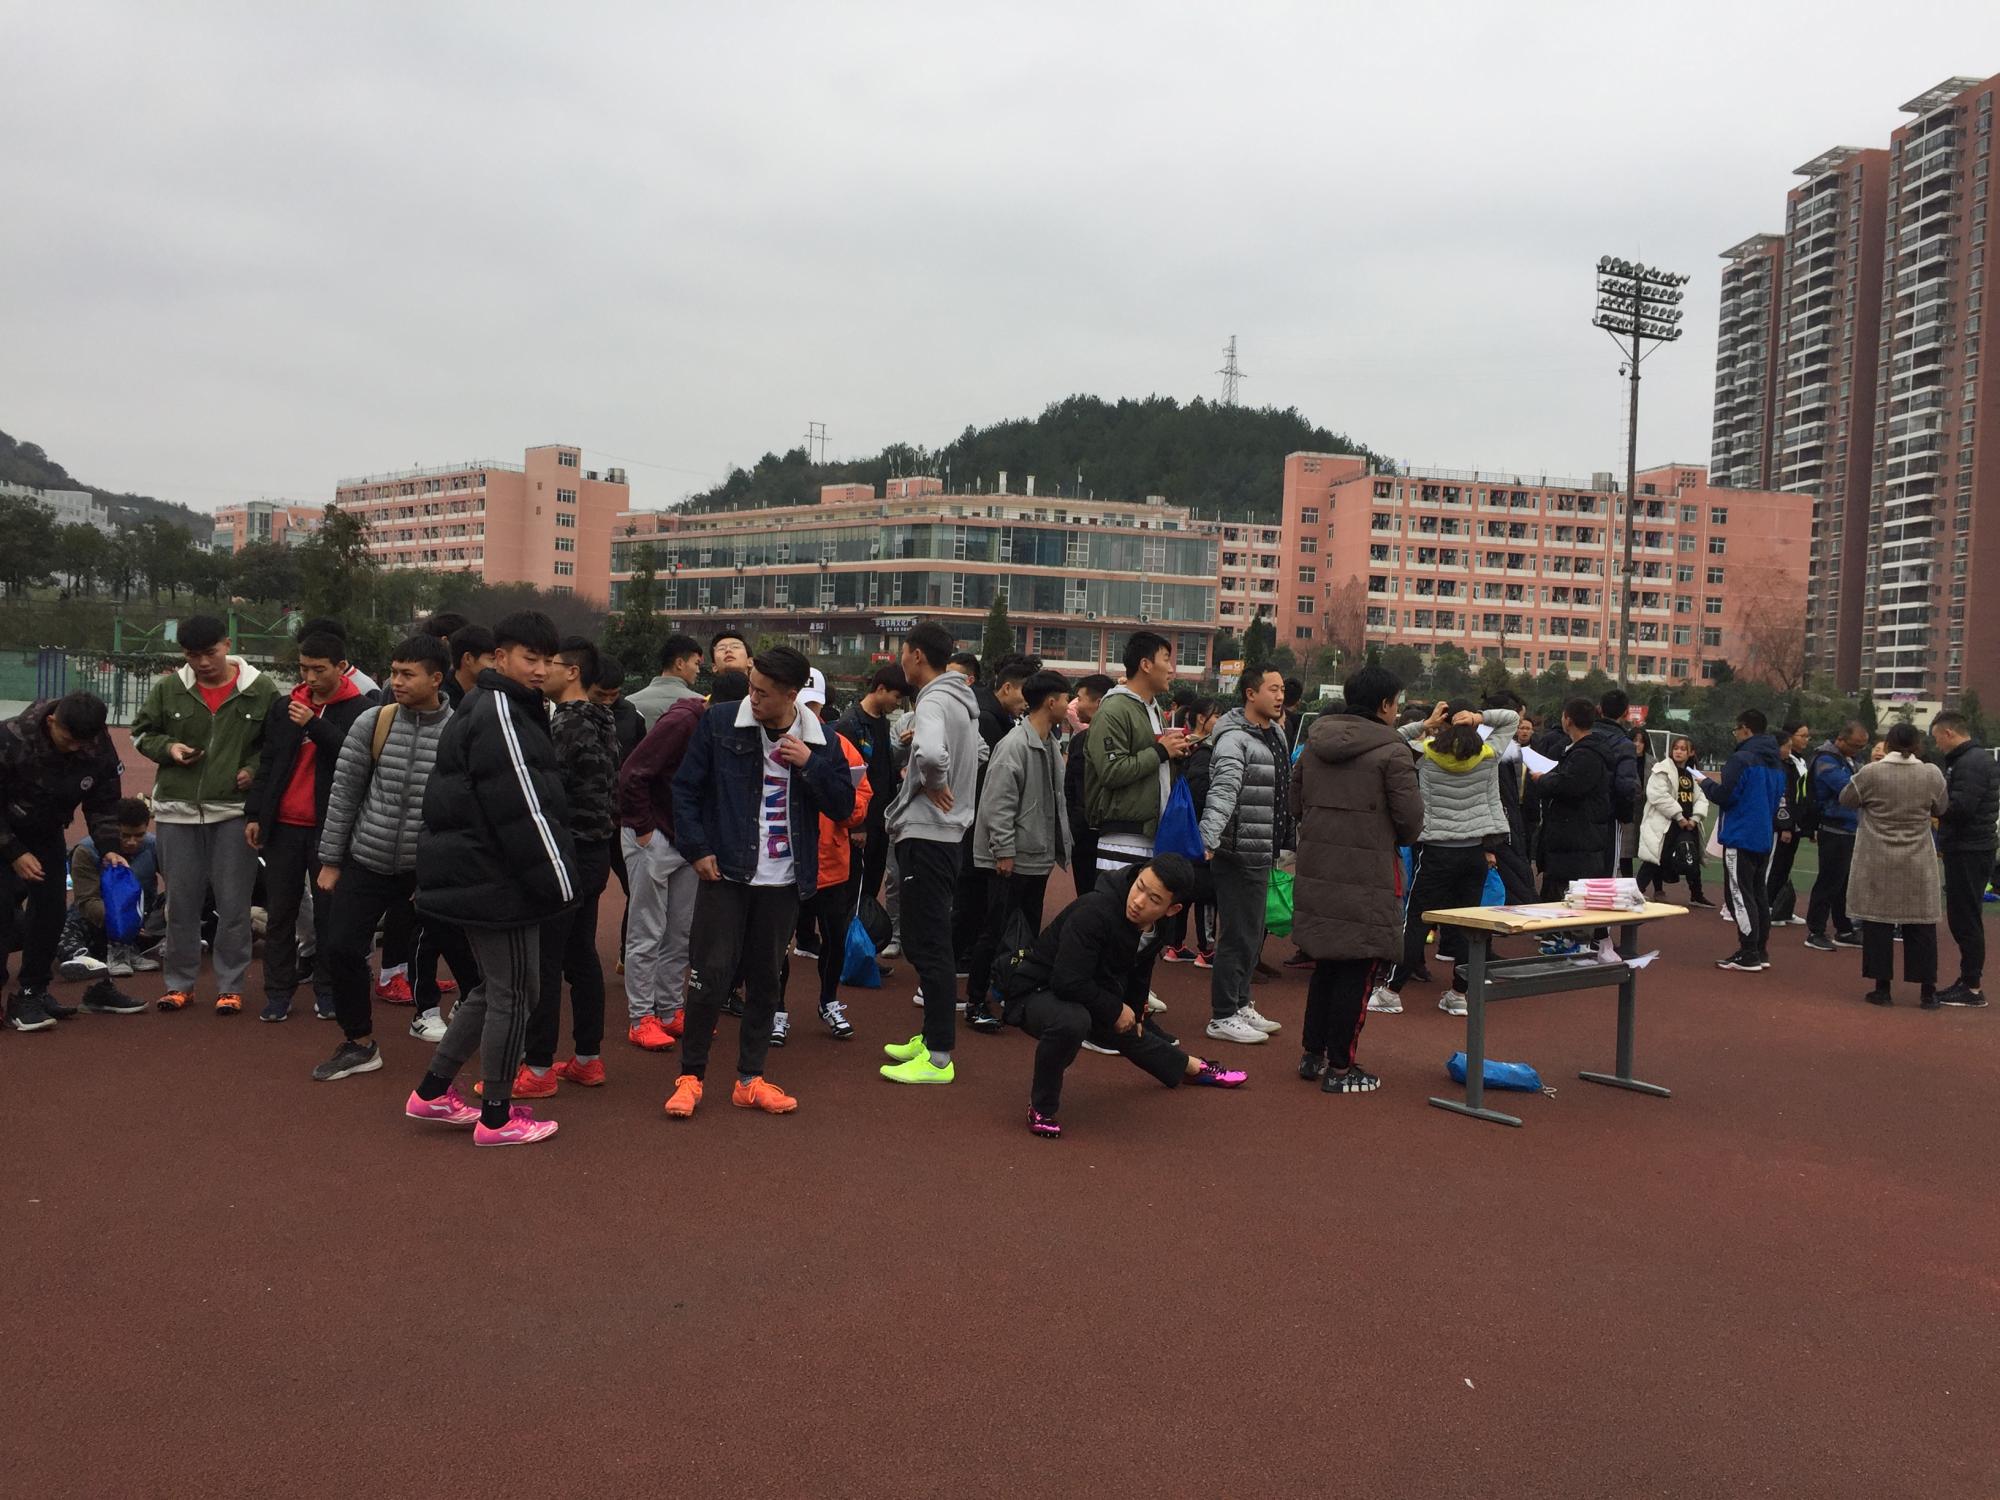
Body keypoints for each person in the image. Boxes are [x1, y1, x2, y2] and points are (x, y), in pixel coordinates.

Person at [403, 612, 577, 1145]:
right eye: (530, 658)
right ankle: (496, 1116)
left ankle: (433, 1091)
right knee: (514, 993)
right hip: (496, 876)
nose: (540, 669)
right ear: (500, 658)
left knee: (500, 988)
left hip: (485, 872)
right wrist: (560, 882)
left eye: (547, 661)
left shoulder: (503, 704)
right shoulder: (500, 709)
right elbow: (523, 807)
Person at [663, 646, 854, 1119]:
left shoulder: (822, 739)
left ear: (792, 694)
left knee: (767, 981)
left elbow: (843, 806)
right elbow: (684, 788)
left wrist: (810, 763)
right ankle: (691, 1077)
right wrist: (696, 848)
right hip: (726, 871)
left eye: (764, 693)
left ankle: (750, 1079)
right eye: (751, 686)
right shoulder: (720, 721)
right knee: (709, 977)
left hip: (784, 880)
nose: (753, 698)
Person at [989, 855, 1245, 1138]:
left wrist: (1135, 1008)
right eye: (1140, 887)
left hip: (1084, 987)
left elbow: (1141, 968)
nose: (1139, 901)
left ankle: (1191, 1068)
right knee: (1073, 1021)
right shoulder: (1095, 911)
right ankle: (1041, 1107)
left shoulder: (1160, 925)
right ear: (1136, 876)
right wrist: (1115, 1009)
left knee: (1131, 1027)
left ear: (1172, 910)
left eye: (1154, 899)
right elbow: (1066, 980)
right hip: (1034, 990)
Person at [314, 636, 478, 1074]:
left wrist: (447, 871)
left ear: (436, 678)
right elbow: (344, 793)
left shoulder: (459, 732)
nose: (396, 681)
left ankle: (486, 1026)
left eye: (408, 674)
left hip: (427, 869)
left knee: (464, 955)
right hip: (367, 857)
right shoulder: (374, 721)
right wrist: (331, 860)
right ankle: (358, 1042)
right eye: (394, 672)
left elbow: (465, 810)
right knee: (342, 947)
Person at [130, 613, 279, 1014]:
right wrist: (169, 749)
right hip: (177, 811)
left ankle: (230, 986)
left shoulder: (260, 689)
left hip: (232, 811)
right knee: (180, 904)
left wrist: (252, 769)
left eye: (210, 653)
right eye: (192, 655)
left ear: (227, 645)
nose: (202, 662)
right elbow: (141, 733)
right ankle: (179, 984)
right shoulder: (169, 689)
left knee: (234, 905)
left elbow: (275, 744)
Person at [1292, 665, 1425, 1092]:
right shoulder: (1393, 751)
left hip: (1318, 867)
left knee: (1327, 964)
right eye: (1396, 703)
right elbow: (1411, 823)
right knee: (1359, 968)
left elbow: (1294, 803)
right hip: (1368, 873)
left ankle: (1313, 1055)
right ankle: (1341, 1068)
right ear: (1385, 705)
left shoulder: (1314, 745)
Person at [244, 630, 377, 1023]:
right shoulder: (285, 706)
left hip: (330, 826)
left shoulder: (361, 709)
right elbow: (268, 762)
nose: (310, 677)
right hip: (283, 826)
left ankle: (328, 989)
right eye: (304, 669)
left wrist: (314, 725)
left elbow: (358, 759)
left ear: (341, 667)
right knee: (281, 913)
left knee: (329, 914)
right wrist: (255, 814)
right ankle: (278, 992)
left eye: (319, 669)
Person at [508, 637, 622, 1097]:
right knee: (580, 956)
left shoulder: (567, 723)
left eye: (549, 663)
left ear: (572, 671)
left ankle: (537, 1067)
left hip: (567, 852)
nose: (542, 671)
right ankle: (587, 1059)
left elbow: (544, 792)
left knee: (547, 962)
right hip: (594, 852)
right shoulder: (602, 719)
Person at [617, 671, 744, 1052]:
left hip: (688, 840)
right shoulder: (682, 721)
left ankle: (670, 1008)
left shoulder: (728, 726)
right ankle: (641, 1017)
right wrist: (644, 829)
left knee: (680, 931)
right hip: (654, 833)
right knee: (647, 929)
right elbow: (632, 772)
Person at [1370, 696, 1518, 1017]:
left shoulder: (1425, 754)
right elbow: (1511, 718)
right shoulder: (1488, 753)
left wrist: (1426, 723)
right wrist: (1480, 717)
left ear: (1444, 720)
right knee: (1467, 922)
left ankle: (1391, 992)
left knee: (1416, 921)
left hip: (1435, 851)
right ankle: (1458, 994)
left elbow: (1390, 739)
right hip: (1475, 851)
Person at [880, 622, 981, 1085]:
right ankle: (930, 1037)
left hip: (928, 834)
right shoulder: (961, 699)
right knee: (929, 938)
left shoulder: (934, 699)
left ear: (916, 655)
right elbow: (977, 751)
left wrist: (935, 782)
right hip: (943, 834)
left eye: (902, 651)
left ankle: (939, 1056)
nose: (900, 659)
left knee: (928, 942)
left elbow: (930, 753)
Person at [0, 693, 139, 1028]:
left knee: (51, 912)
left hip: (46, 831)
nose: (76, 748)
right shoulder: (11, 738)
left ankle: (32, 994)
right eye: (69, 740)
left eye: (83, 742)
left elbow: (104, 799)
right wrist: (15, 851)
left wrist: (109, 846)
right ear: (52, 722)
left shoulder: (96, 741)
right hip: (5, 831)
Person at [964, 669, 1072, 1032]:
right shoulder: (1015, 744)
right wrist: (1004, 851)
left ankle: (1014, 995)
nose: (1069, 705)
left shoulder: (1049, 742)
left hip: (1035, 856)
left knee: (1025, 935)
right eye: (1066, 698)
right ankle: (975, 1001)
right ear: (1051, 702)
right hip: (1012, 858)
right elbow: (998, 804)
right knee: (994, 931)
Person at [773, 672, 870, 1044]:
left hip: (830, 862)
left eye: (814, 705)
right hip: (784, 863)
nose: (808, 712)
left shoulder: (840, 745)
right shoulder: (772, 742)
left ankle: (829, 1000)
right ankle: (776, 1008)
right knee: (777, 941)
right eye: (802, 704)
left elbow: (859, 801)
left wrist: (846, 812)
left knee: (834, 938)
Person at [1198, 666, 1291, 1044]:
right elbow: (1223, 791)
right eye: (1273, 689)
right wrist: (1208, 838)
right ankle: (1222, 1014)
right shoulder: (1233, 740)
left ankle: (1240, 1002)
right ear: (1250, 694)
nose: (1280, 696)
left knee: (1252, 933)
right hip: (1237, 852)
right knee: (1237, 935)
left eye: (1282, 689)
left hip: (1262, 848)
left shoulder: (1276, 734)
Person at [1841, 721, 1950, 1008]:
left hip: (1877, 856)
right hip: (1918, 857)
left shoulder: (1872, 772)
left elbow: (1846, 799)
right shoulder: (1931, 773)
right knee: (1921, 923)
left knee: (1878, 921)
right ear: (1917, 745)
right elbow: (1942, 807)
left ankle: (1882, 988)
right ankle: (1927, 992)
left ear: (1887, 743)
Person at [1084, 631, 1192, 883]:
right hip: (1124, 839)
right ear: (1146, 664)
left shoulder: (1153, 708)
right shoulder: (1114, 709)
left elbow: (1155, 763)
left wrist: (1175, 754)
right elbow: (1112, 771)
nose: (1172, 669)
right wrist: (1161, 751)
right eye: (1166, 659)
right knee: (1122, 904)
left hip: (1154, 835)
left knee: (1147, 907)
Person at [1697, 708, 1787, 974]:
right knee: (1758, 894)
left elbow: (1725, 796)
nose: (1735, 734)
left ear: (1745, 728)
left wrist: (1704, 783)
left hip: (1740, 834)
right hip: (1763, 835)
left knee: (1738, 893)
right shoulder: (1775, 762)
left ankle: (1748, 952)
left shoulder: (1741, 759)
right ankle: (1760, 949)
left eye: (1736, 729)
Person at [1929, 709, 1998, 1007]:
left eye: (1937, 739)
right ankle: (1969, 981)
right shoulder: (1970, 760)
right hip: (1969, 846)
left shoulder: (1971, 763)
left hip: (1970, 849)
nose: (1937, 745)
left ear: (1949, 733)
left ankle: (1972, 986)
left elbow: (1962, 807)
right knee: (1963, 916)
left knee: (1965, 918)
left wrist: (1931, 806)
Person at [833, 662, 907, 911]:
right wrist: (857, 825)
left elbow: (880, 768)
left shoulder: (882, 722)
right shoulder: (850, 724)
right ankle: (848, 933)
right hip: (861, 822)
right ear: (881, 689)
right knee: (854, 889)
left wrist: (899, 773)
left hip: (881, 819)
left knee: (873, 885)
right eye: (896, 696)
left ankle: (863, 930)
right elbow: (846, 780)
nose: (898, 703)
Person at [65, 796, 160, 987]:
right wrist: (123, 922)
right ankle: (82, 957)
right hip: (100, 921)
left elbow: (176, 884)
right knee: (59, 925)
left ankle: (133, 948)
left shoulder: (154, 846)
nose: (132, 842)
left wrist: (162, 917)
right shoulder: (86, 851)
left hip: (143, 921)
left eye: (139, 835)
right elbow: (87, 900)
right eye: (125, 835)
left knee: (183, 901)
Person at [1528, 698, 1618, 899]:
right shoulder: (1579, 749)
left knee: (1568, 899)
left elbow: (1569, 785)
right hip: (1575, 841)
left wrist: (1543, 779)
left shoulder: (1586, 754)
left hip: (1576, 841)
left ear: (1568, 720)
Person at [1802, 721, 1870, 953]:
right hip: (1833, 827)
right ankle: (1816, 931)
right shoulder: (1826, 760)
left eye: (1862, 746)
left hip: (1849, 826)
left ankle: (1845, 929)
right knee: (1829, 881)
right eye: (1855, 745)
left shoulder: (1847, 759)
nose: (1858, 750)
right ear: (1841, 739)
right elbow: (1847, 788)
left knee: (1844, 883)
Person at [1634, 735, 1711, 905]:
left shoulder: (1693, 774)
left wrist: (1695, 818)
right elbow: (1658, 795)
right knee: (1654, 857)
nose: (1678, 752)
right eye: (1676, 748)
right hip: (1666, 823)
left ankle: (1697, 894)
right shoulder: (1661, 770)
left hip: (1688, 824)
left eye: (1683, 749)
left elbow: (1701, 798)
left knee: (1691, 856)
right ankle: (1637, 891)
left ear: (1691, 753)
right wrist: (1678, 816)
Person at [1063, 673, 1113, 896]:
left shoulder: (1119, 740)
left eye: (1080, 698)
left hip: (1109, 833)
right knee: (1085, 895)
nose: (1075, 705)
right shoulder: (1079, 741)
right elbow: (1069, 788)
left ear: (1099, 703)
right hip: (1082, 836)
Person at [1764, 721, 1814, 925]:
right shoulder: (1781, 763)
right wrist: (1784, 825)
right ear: (1789, 737)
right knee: (1775, 865)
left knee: (1785, 865)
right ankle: (1766, 907)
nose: (1806, 740)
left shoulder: (1798, 761)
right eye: (1802, 735)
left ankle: (1781, 908)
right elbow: (1783, 796)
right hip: (1782, 824)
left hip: (1796, 823)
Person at [1591, 690, 1642, 873]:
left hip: (1578, 814)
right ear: (1626, 713)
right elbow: (1625, 786)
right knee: (1606, 873)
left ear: (1599, 709)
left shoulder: (1584, 736)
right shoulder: (1624, 745)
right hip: (1608, 816)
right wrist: (1625, 815)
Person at [627, 633, 704, 728]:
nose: (698, 670)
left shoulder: (629, 703)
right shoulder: (701, 704)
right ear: (679, 663)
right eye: (696, 663)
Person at [589, 653, 647, 763]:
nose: (607, 701)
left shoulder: (633, 716)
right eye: (600, 694)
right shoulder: (567, 715)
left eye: (613, 694)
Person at [444, 624, 496, 709]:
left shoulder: (493, 693)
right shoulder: (443, 700)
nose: (496, 666)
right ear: (468, 658)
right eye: (492, 659)